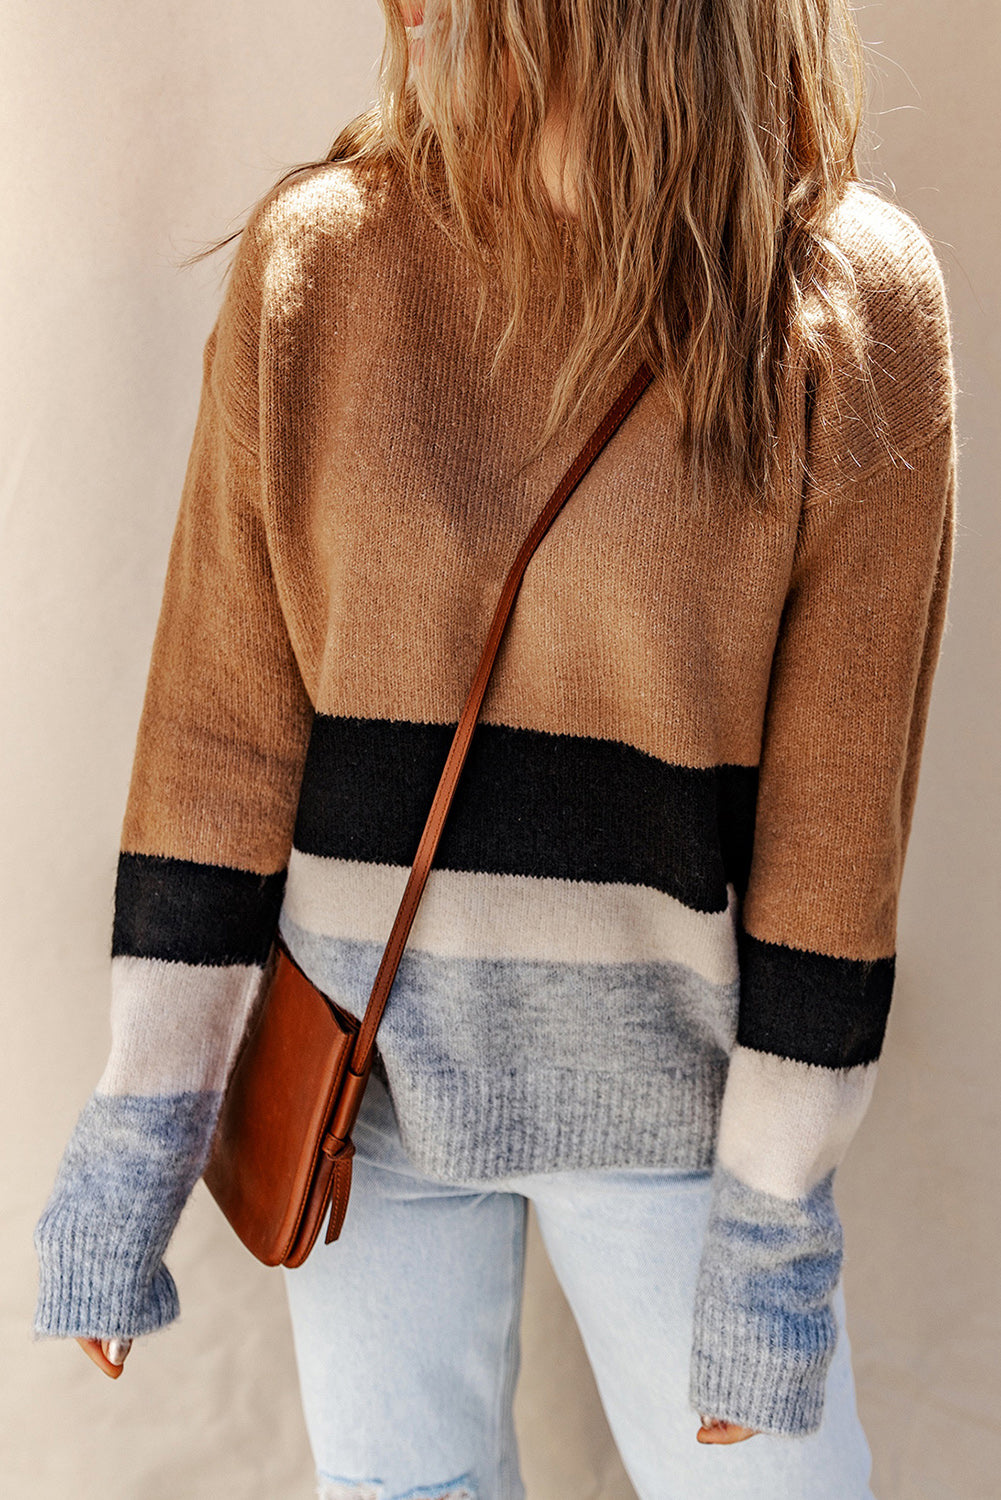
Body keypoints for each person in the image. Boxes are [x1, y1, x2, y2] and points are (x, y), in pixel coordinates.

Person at [32, 0, 957, 1496]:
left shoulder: (839, 296)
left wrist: (772, 1225)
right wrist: (138, 1140)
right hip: (361, 1090)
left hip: (674, 1113)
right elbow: (219, 732)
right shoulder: (321, 261)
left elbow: (839, 823)